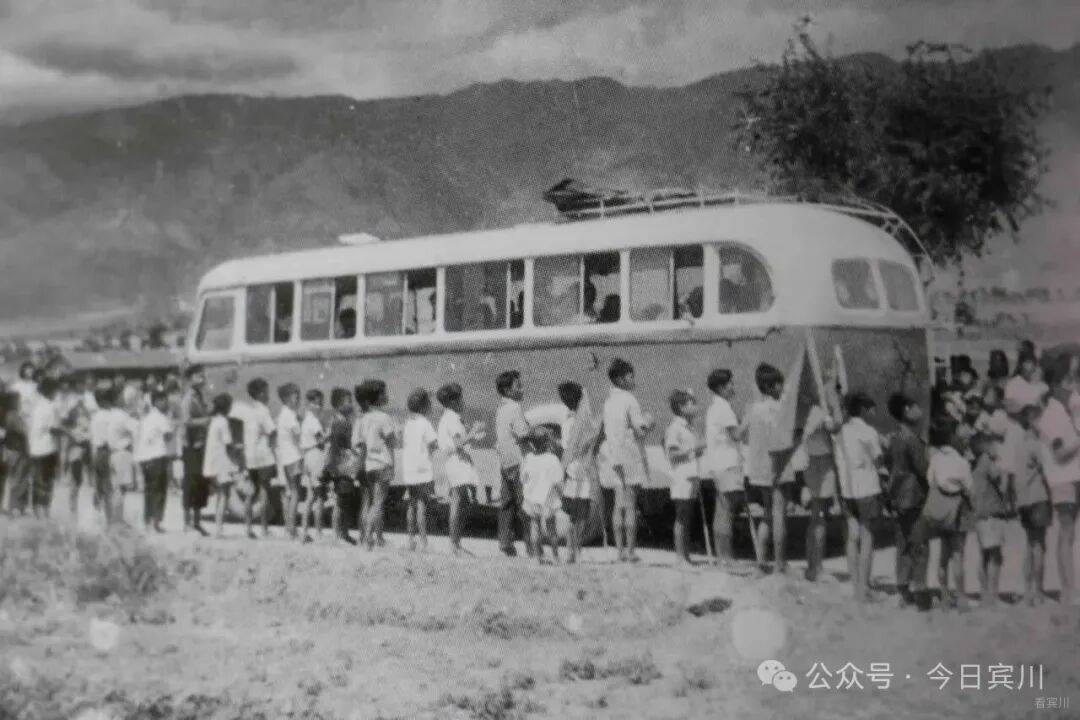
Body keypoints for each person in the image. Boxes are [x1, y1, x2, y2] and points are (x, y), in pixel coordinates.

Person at [915, 420, 974, 611]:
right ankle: (962, 598)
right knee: (958, 555)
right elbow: (970, 488)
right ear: (952, 438)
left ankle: (945, 596)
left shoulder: (935, 459)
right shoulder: (962, 462)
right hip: (956, 511)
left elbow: (930, 480)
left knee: (942, 557)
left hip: (937, 510)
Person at [1037, 357, 1080, 606]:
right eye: (1069, 380)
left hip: (1074, 477)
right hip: (1063, 479)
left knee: (1070, 535)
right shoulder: (1051, 415)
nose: (1074, 385)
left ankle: (1070, 588)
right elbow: (1060, 454)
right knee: (1066, 533)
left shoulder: (1068, 411)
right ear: (1056, 384)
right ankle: (1067, 590)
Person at [602, 358, 654, 563]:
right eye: (630, 376)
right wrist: (650, 422)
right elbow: (640, 430)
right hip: (629, 454)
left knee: (618, 504)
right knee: (630, 505)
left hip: (613, 456)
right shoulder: (629, 400)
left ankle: (619, 551)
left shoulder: (609, 402)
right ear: (621, 379)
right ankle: (631, 551)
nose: (633, 380)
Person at [743, 363, 791, 573]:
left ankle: (761, 562)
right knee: (779, 514)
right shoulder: (778, 409)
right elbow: (779, 440)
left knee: (767, 514)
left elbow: (744, 435)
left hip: (759, 468)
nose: (783, 388)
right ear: (771, 386)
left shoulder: (754, 409)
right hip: (776, 466)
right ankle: (780, 563)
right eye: (780, 384)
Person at [839, 392, 885, 602]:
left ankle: (855, 583)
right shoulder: (869, 432)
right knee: (867, 536)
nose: (874, 412)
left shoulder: (842, 431)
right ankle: (864, 587)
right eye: (872, 408)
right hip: (867, 487)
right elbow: (878, 460)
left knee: (852, 535)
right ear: (864, 410)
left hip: (847, 488)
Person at [884, 392, 928, 606]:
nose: (920, 411)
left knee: (902, 542)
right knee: (919, 544)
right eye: (915, 406)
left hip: (897, 495)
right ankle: (919, 589)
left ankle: (902, 587)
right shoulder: (912, 439)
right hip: (914, 495)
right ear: (906, 411)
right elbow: (923, 469)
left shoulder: (894, 438)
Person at [436, 382, 484, 556]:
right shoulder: (453, 418)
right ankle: (454, 544)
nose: (463, 402)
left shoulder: (448, 418)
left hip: (454, 461)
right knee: (458, 501)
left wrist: (470, 434)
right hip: (457, 462)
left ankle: (456, 543)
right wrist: (474, 431)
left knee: (460, 500)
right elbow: (458, 443)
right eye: (460, 398)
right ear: (453, 401)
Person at [704, 368, 744, 566]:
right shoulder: (724, 408)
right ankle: (726, 557)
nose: (733, 387)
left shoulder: (714, 408)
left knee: (722, 510)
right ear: (721, 387)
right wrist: (749, 420)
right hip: (728, 464)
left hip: (718, 464)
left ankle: (722, 556)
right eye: (730, 384)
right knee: (726, 511)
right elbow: (737, 435)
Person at [1012, 403, 1051, 606]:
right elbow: (1048, 469)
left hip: (1024, 499)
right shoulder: (1036, 445)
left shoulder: (1019, 444)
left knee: (1029, 544)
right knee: (1039, 546)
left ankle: (1027, 591)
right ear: (1032, 421)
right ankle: (1039, 592)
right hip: (1038, 497)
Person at [559, 381, 600, 564]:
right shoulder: (586, 422)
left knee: (572, 516)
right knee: (582, 514)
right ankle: (576, 549)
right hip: (584, 471)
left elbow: (566, 446)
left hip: (572, 471)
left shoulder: (567, 423)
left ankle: (570, 550)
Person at [971, 426, 1011, 608]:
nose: (997, 447)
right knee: (995, 556)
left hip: (980, 514)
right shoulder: (987, 461)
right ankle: (993, 596)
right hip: (992, 513)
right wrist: (1005, 469)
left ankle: (984, 594)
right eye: (994, 444)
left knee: (984, 554)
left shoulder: (976, 464)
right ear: (986, 447)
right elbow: (1001, 483)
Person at [233, 378, 278, 539]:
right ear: (261, 394)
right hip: (263, 457)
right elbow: (271, 431)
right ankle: (264, 529)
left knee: (250, 494)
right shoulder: (263, 411)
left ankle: (248, 528)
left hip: (250, 457)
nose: (268, 395)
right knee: (264, 492)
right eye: (267, 392)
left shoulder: (248, 411)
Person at [356, 379, 397, 550]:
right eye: (384, 393)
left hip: (369, 465)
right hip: (383, 463)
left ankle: (369, 538)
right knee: (378, 503)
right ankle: (368, 538)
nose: (387, 395)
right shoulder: (384, 418)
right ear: (378, 397)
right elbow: (392, 441)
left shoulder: (364, 418)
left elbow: (361, 443)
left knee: (371, 502)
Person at [801, 396, 839, 582]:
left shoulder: (801, 409)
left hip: (808, 461)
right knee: (819, 518)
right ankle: (817, 567)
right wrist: (836, 407)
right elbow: (835, 427)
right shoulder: (820, 410)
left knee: (815, 517)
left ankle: (811, 566)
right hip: (822, 462)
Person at [665, 389, 704, 568]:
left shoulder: (690, 426)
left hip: (692, 474)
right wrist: (693, 450)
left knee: (687, 516)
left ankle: (686, 556)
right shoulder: (675, 427)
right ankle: (680, 558)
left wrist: (698, 451)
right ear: (681, 407)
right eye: (691, 403)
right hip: (681, 476)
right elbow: (672, 454)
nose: (695, 406)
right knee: (681, 516)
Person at [494, 370, 531, 557]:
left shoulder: (500, 409)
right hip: (518, 461)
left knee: (507, 503)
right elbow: (523, 433)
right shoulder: (515, 408)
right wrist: (535, 431)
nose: (522, 389)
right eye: (518, 386)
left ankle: (505, 542)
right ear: (508, 391)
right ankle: (531, 543)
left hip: (505, 462)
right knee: (525, 503)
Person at [402, 388, 438, 551]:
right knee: (422, 505)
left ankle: (410, 539)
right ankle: (423, 541)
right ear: (424, 407)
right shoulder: (425, 423)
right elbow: (433, 443)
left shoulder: (408, 423)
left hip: (409, 470)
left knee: (411, 505)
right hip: (422, 470)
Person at [521, 427, 563, 565]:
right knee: (551, 529)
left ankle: (537, 556)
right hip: (548, 499)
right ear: (547, 443)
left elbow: (523, 478)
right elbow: (558, 481)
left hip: (532, 499)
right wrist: (562, 495)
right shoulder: (552, 459)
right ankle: (555, 556)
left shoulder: (528, 458)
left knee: (535, 526)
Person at [324, 387, 359, 544]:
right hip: (342, 466)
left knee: (343, 501)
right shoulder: (341, 423)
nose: (351, 404)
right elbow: (341, 446)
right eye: (348, 401)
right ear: (339, 405)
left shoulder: (339, 421)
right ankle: (339, 534)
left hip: (340, 464)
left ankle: (342, 533)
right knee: (341, 501)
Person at [179, 365, 211, 535]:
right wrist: (204, 421)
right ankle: (187, 522)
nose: (202, 378)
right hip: (190, 446)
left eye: (202, 375)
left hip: (200, 444)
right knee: (190, 483)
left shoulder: (200, 396)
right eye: (199, 376)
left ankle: (197, 522)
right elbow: (186, 421)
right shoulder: (188, 398)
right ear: (190, 378)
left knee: (200, 484)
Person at [135, 390, 174, 532]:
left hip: (145, 458)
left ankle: (147, 520)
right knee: (160, 490)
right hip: (157, 456)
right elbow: (168, 436)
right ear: (157, 402)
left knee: (149, 491)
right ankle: (156, 522)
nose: (167, 403)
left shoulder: (147, 418)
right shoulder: (160, 417)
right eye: (164, 400)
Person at [25, 376, 64, 517]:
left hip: (35, 448)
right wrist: (69, 432)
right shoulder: (51, 406)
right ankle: (45, 510)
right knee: (48, 480)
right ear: (51, 391)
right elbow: (54, 429)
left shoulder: (36, 405)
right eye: (56, 390)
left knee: (37, 480)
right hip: (47, 448)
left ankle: (36, 510)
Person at [205, 393, 241, 538]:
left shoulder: (214, 421)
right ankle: (219, 528)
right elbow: (228, 443)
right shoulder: (223, 422)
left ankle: (218, 527)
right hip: (222, 462)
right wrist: (238, 448)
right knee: (224, 495)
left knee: (220, 495)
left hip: (213, 462)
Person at [106, 385, 140, 525]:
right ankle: (118, 519)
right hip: (122, 452)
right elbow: (137, 428)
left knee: (116, 487)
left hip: (112, 453)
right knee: (121, 488)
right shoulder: (122, 415)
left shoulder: (110, 414)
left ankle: (114, 518)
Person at [276, 383, 304, 540]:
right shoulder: (290, 415)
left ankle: (288, 527)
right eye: (295, 396)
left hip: (285, 458)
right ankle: (292, 529)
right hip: (294, 457)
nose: (298, 399)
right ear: (286, 398)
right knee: (295, 493)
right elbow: (298, 434)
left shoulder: (282, 414)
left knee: (288, 493)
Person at [299, 389, 327, 543]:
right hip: (315, 455)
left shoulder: (306, 420)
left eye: (321, 403)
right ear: (310, 404)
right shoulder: (314, 421)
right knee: (320, 495)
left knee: (310, 496)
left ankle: (304, 530)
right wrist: (329, 435)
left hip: (307, 456)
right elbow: (321, 440)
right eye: (316, 403)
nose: (319, 406)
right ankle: (318, 531)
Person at [89, 387, 115, 525]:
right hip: (106, 451)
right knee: (108, 486)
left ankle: (97, 517)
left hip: (97, 452)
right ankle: (109, 519)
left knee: (98, 486)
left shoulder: (95, 417)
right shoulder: (109, 416)